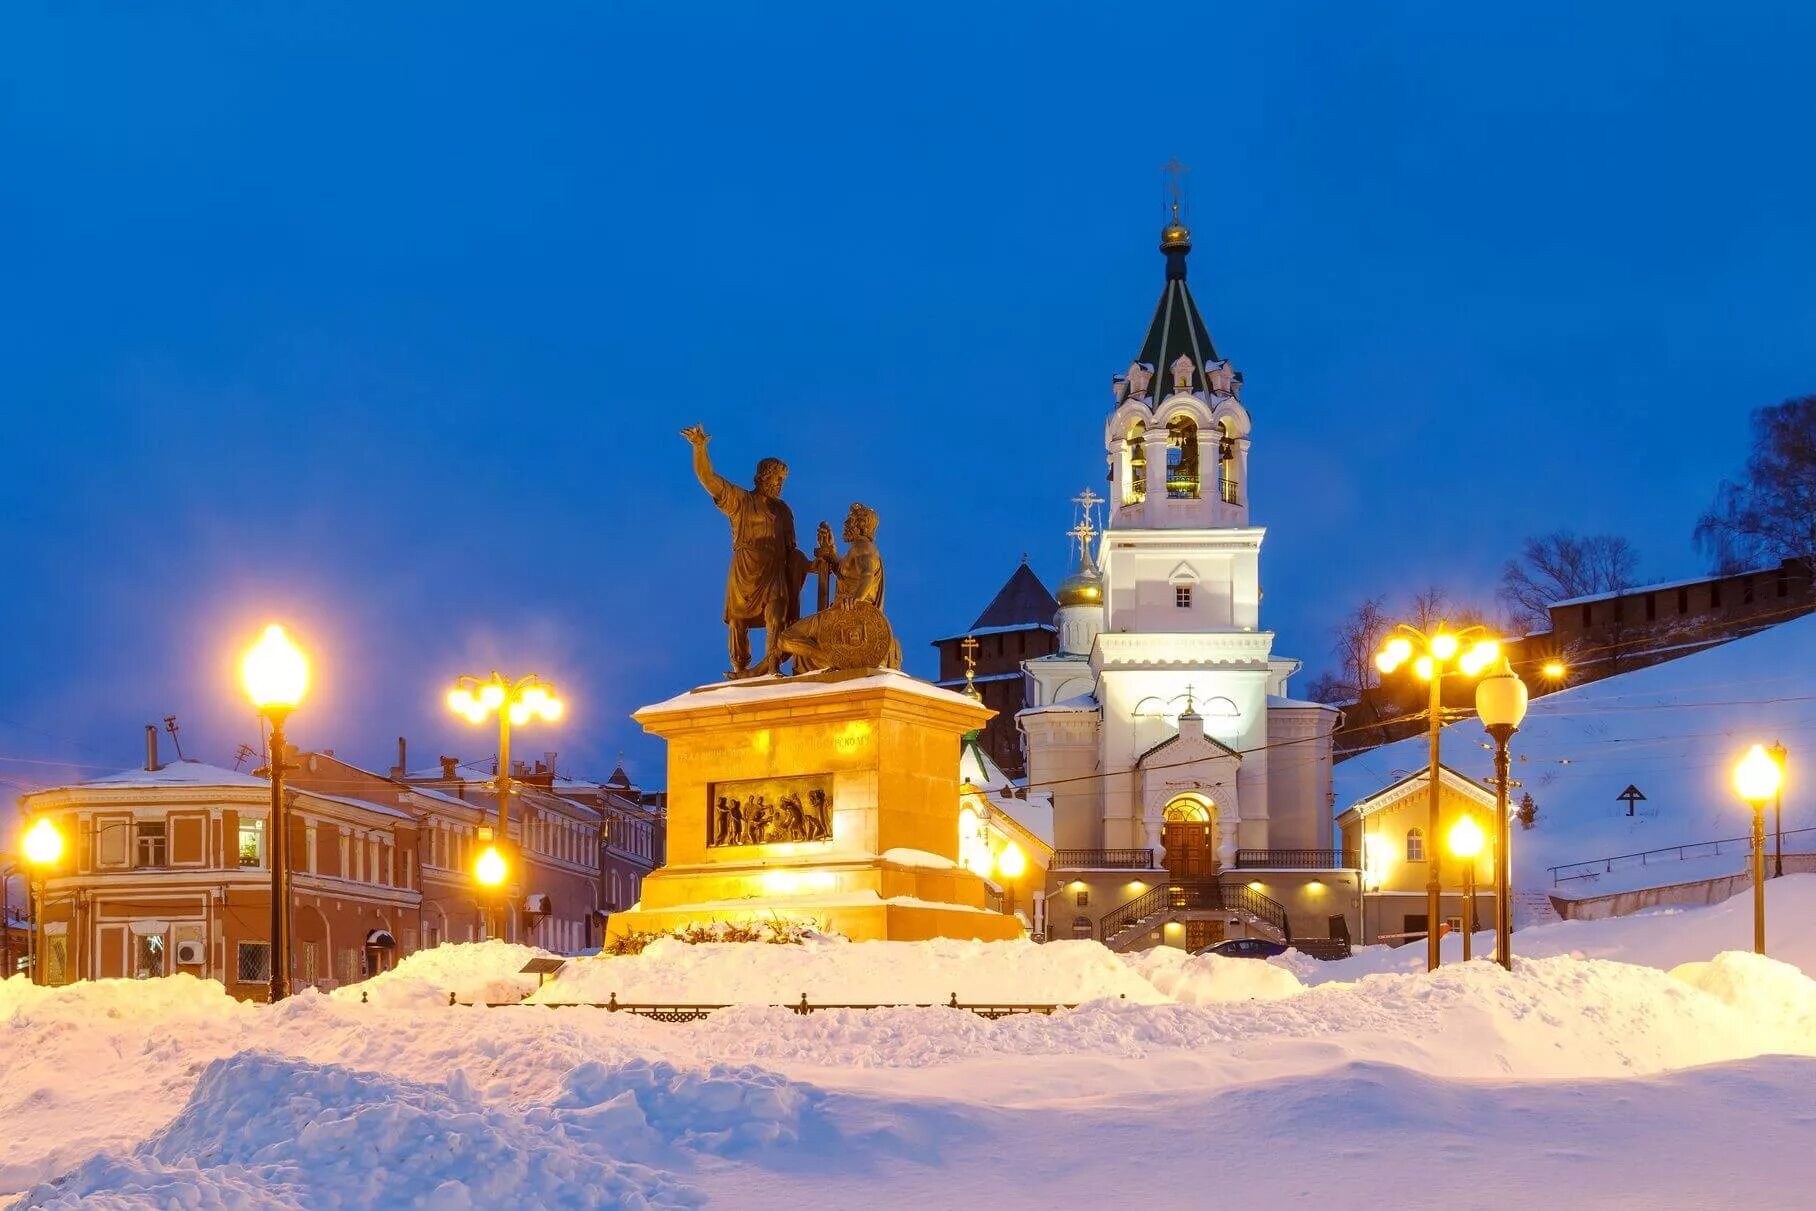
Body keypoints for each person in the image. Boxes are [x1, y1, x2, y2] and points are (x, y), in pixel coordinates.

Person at [681, 424, 808, 678]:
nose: (780, 485)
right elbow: (709, 479)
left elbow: (792, 550)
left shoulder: (783, 511)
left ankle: (773, 665)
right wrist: (699, 448)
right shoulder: (741, 501)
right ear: (762, 477)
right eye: (776, 479)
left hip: (774, 570)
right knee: (738, 620)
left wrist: (813, 562)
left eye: (782, 481)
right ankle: (740, 668)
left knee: (777, 614)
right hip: (746, 568)